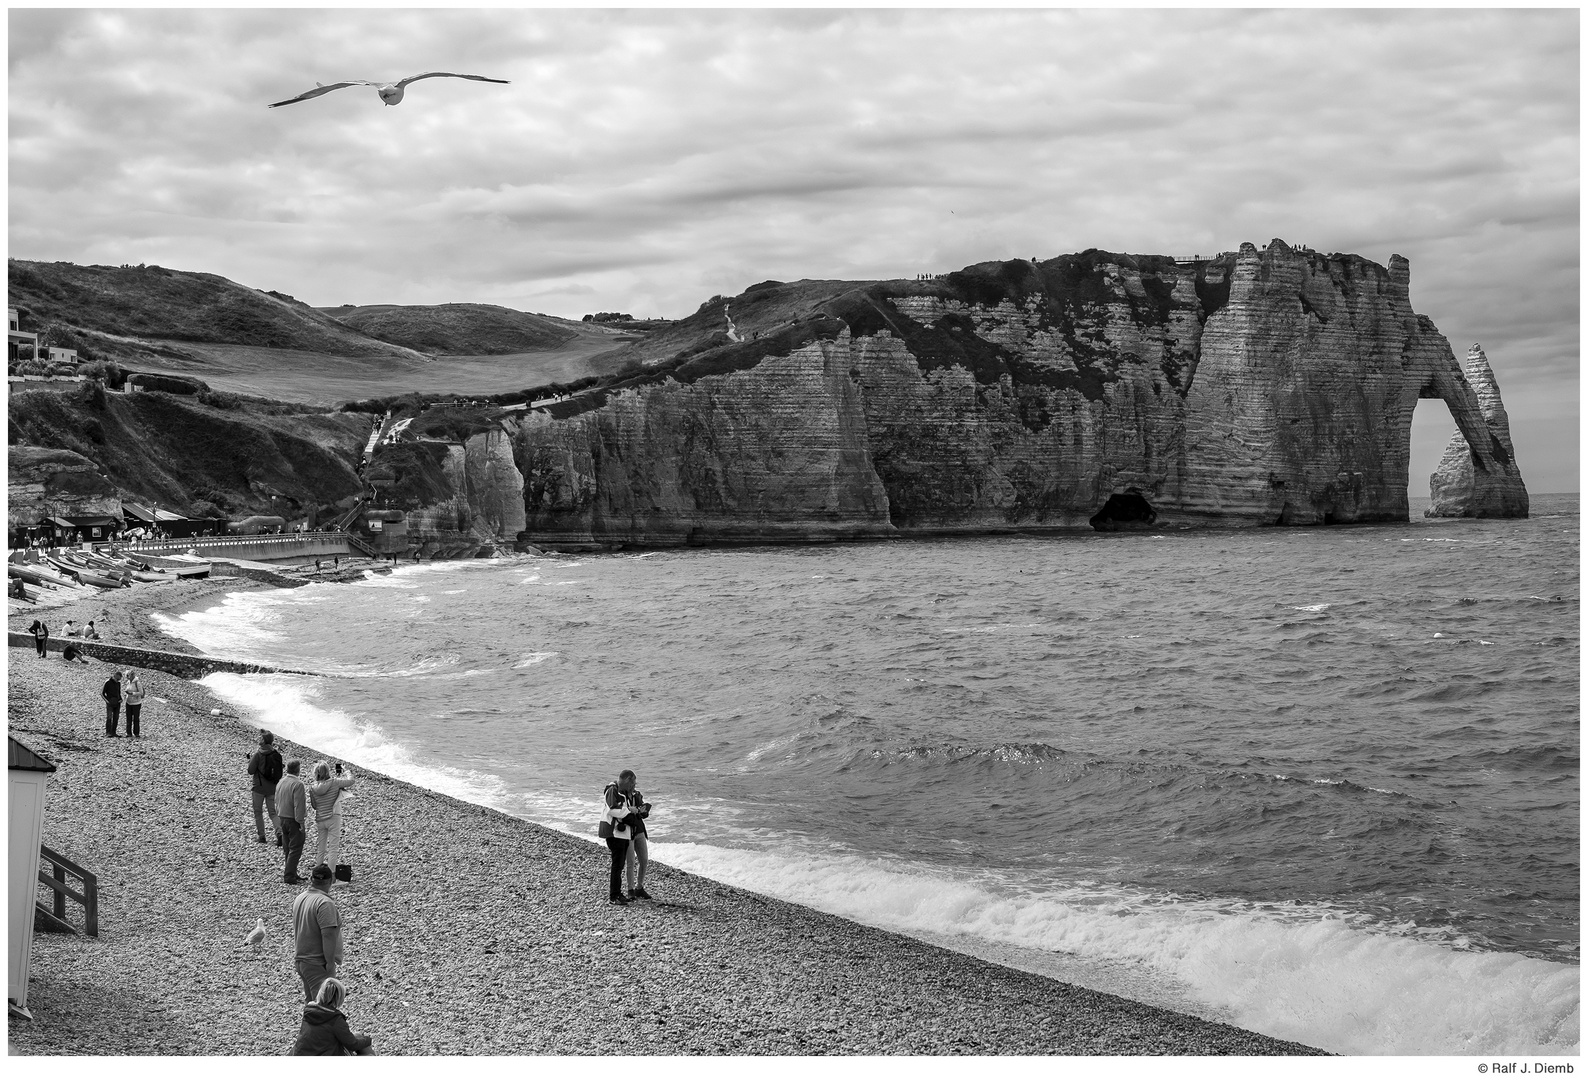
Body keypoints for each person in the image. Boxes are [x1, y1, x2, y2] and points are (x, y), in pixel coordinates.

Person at [291, 864, 343, 1001]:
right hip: (316, 962)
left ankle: (306, 1023)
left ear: (311, 879)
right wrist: (330, 963)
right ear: (331, 880)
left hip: (301, 961)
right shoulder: (325, 903)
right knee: (324, 1006)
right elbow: (328, 934)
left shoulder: (300, 898)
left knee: (311, 1006)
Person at [291, 977, 375, 1056]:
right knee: (369, 1054)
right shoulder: (335, 1019)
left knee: (357, 1036)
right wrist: (369, 1039)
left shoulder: (310, 1011)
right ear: (338, 998)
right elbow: (352, 1044)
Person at [600, 769, 641, 905]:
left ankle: (617, 893)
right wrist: (629, 810)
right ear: (627, 780)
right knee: (617, 865)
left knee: (619, 864)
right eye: (632, 784)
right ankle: (614, 896)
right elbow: (612, 809)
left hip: (622, 834)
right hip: (614, 833)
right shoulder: (612, 790)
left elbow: (620, 810)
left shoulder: (622, 792)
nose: (633, 787)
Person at [307, 761, 354, 871]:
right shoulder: (334, 782)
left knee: (321, 847)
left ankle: (317, 874)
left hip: (320, 818)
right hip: (333, 816)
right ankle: (332, 877)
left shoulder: (312, 787)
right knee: (333, 848)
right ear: (327, 771)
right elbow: (351, 781)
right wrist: (345, 770)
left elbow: (314, 806)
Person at [248, 730, 285, 845]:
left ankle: (262, 836)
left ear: (263, 740)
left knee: (258, 812)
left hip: (258, 787)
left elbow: (250, 771)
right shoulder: (276, 754)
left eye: (260, 738)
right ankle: (280, 834)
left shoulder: (258, 754)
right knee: (273, 812)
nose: (259, 739)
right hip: (272, 787)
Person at [276, 760, 308, 883]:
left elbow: (276, 800)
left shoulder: (281, 782)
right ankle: (289, 875)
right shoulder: (298, 784)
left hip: (282, 817)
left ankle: (292, 872)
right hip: (293, 819)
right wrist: (301, 822)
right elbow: (298, 805)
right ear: (298, 770)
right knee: (296, 848)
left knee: (287, 847)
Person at [623, 778, 654, 901]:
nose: (634, 786)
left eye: (634, 783)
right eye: (632, 783)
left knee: (644, 860)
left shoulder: (637, 795)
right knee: (630, 862)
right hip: (628, 831)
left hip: (639, 830)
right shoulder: (622, 796)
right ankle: (631, 889)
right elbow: (620, 811)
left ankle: (639, 887)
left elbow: (642, 813)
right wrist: (632, 810)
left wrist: (643, 812)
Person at [122, 671, 146, 738]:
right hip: (128, 702)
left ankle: (136, 733)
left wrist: (132, 694)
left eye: (128, 676)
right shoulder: (128, 682)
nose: (127, 677)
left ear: (132, 675)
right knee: (128, 718)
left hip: (136, 703)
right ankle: (128, 733)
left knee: (136, 718)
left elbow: (141, 692)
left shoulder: (137, 682)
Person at [101, 670, 123, 737]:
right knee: (109, 717)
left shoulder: (118, 683)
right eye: (117, 679)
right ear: (114, 676)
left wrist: (121, 699)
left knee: (116, 717)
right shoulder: (108, 682)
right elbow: (102, 693)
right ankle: (108, 732)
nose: (118, 680)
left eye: (119, 679)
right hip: (110, 702)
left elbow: (118, 693)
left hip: (117, 702)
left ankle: (114, 732)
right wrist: (107, 701)